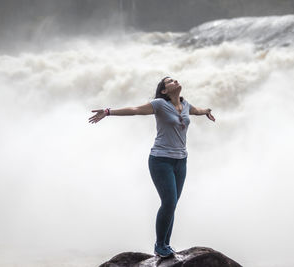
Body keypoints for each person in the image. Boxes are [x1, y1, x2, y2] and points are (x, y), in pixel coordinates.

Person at [88, 77, 215, 258]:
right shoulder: (159, 104)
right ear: (164, 91)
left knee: (172, 205)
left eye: (175, 79)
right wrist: (108, 111)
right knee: (169, 202)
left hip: (181, 161)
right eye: (170, 81)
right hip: (160, 160)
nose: (175, 81)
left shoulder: (185, 104)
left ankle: (166, 245)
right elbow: (135, 110)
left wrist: (207, 111)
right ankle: (159, 245)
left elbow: (198, 110)